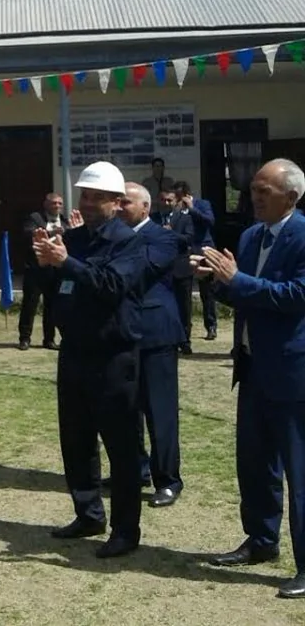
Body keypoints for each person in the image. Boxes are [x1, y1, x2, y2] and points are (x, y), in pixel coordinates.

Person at [33, 161, 147, 559]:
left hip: (114, 355)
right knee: (76, 439)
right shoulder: (74, 238)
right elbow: (59, 286)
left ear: (117, 202)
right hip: (75, 351)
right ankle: (88, 513)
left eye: (99, 197)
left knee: (121, 446)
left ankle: (125, 530)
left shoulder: (129, 241)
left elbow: (111, 285)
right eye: (86, 196)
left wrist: (66, 263)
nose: (91, 203)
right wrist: (47, 264)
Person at [203, 158, 305, 599]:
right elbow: (243, 296)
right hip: (252, 367)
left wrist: (239, 281)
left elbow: (297, 296)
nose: (255, 196)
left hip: (293, 372)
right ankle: (261, 540)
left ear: (292, 197)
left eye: (265, 190)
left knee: (299, 473)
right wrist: (216, 281)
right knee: (255, 462)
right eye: (253, 189)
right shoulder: (249, 236)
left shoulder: (303, 236)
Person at [118, 183, 185, 509]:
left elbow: (136, 273)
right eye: (116, 202)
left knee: (160, 412)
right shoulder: (112, 235)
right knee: (125, 410)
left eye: (125, 202)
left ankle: (168, 480)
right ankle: (137, 469)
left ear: (145, 207)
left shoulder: (162, 237)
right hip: (122, 334)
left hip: (155, 334)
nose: (119, 207)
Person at [166, 180, 218, 349]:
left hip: (203, 248)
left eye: (181, 197)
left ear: (187, 195)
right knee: (184, 294)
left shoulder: (202, 204)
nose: (179, 200)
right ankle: (184, 332)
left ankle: (211, 325)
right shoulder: (176, 211)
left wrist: (193, 208)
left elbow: (209, 221)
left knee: (207, 290)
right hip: (185, 253)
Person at [18, 193, 70, 351]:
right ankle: (25, 338)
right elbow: (29, 233)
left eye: (60, 203)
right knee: (30, 305)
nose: (57, 206)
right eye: (54, 203)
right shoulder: (35, 218)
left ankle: (49, 339)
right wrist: (53, 233)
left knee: (52, 306)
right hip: (35, 270)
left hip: (54, 271)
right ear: (46, 204)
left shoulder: (65, 221)